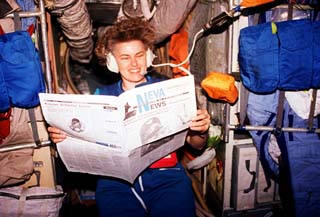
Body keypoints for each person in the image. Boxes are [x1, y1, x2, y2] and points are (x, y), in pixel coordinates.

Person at [48, 17, 211, 217]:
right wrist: (66, 138)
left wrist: (201, 131)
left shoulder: (170, 90)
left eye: (139, 55)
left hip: (167, 179)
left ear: (149, 56)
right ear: (112, 62)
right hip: (115, 184)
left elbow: (196, 145)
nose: (134, 64)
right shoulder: (102, 96)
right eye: (125, 57)